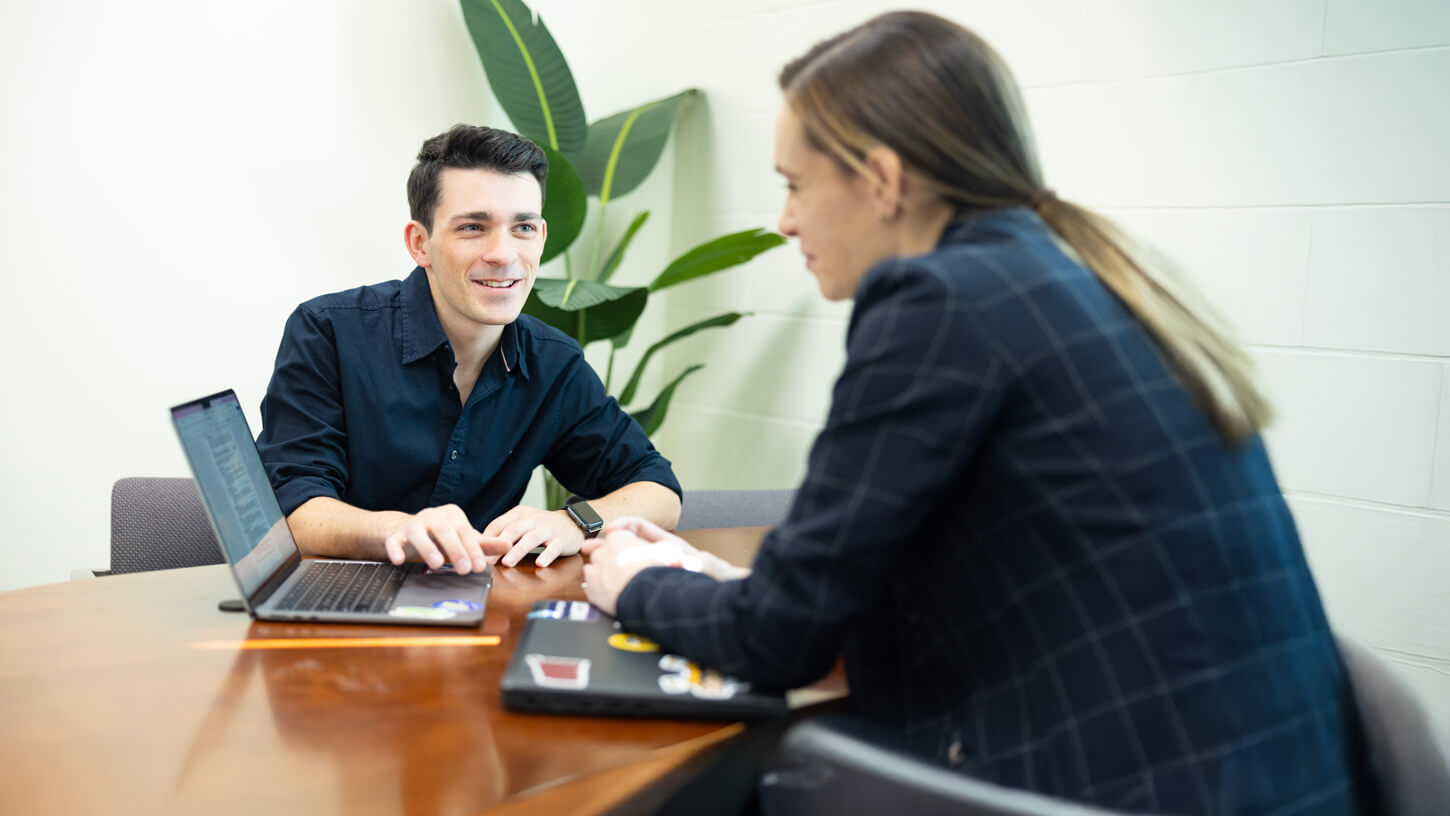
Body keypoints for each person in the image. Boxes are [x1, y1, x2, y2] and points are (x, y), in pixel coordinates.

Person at [582, 12, 1371, 815]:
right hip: (1280, 778)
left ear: (883, 181)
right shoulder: (1073, 277)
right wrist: (724, 584)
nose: (785, 219)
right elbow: (912, 594)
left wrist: (635, 582)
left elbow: (779, 642)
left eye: (793, 183)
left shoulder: (940, 301)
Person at [257, 124, 682, 573]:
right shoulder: (328, 332)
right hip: (337, 607)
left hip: (478, 611)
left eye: (523, 227)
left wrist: (576, 521)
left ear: (540, 236)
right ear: (420, 243)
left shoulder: (553, 362)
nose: (503, 253)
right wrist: (399, 532)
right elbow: (296, 514)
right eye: (473, 227)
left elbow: (659, 491)